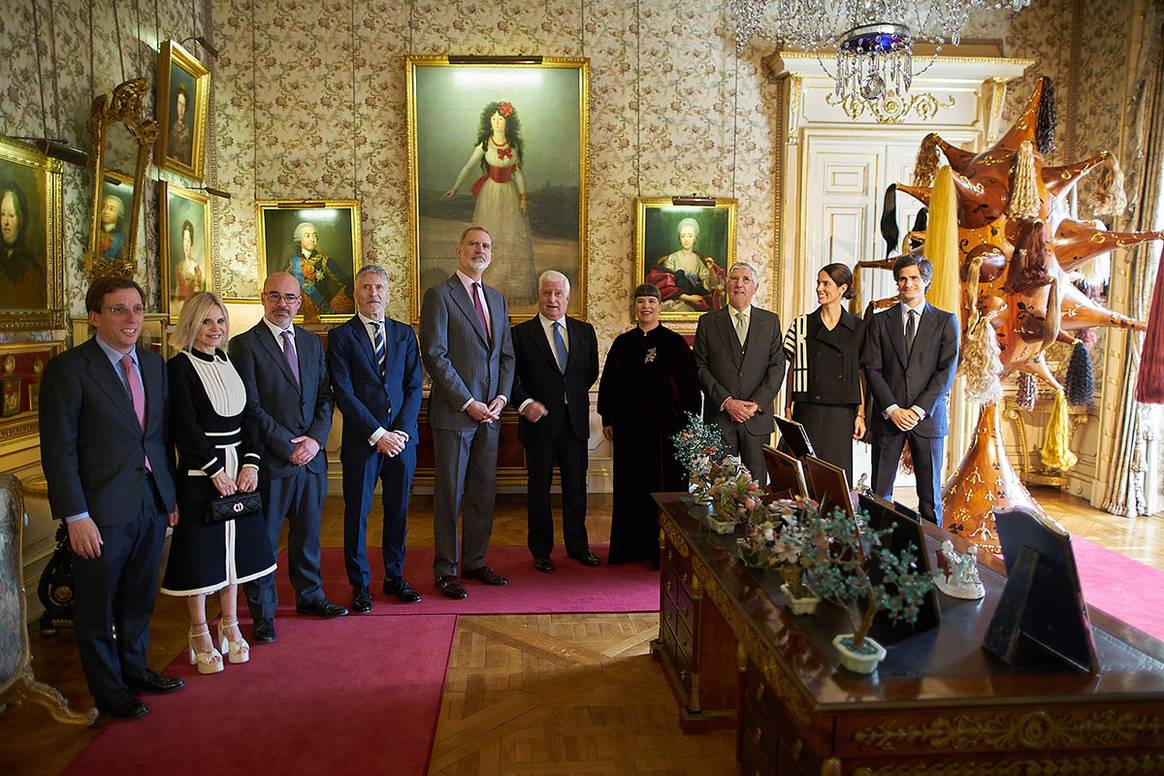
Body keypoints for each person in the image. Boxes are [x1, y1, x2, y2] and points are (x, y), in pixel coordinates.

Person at [39, 277, 183, 720]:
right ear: (95, 316)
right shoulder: (69, 370)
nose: (131, 318)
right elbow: (59, 451)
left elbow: (159, 439)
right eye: (118, 309)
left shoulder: (155, 365)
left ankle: (135, 670)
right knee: (98, 607)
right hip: (99, 512)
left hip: (150, 503)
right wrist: (76, 515)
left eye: (137, 308)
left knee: (139, 598)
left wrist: (169, 496)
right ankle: (108, 691)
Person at [160, 292, 276, 673]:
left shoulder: (232, 362)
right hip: (200, 474)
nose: (215, 329)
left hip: (240, 472)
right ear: (191, 324)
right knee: (201, 555)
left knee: (235, 558)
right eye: (206, 322)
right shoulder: (179, 368)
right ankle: (199, 630)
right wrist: (214, 470)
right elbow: (184, 427)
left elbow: (251, 420)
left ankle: (229, 622)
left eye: (220, 321)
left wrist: (252, 464)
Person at [230, 271, 347, 643]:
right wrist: (287, 445)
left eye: (290, 298)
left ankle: (310, 597)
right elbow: (250, 406)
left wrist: (314, 440)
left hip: (311, 460)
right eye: (275, 296)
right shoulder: (244, 345)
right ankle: (263, 614)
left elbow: (326, 398)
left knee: (308, 536)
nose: (283, 304)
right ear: (263, 298)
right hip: (270, 461)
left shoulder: (313, 344)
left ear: (300, 302)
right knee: (264, 541)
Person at [419, 226, 515, 599]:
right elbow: (435, 355)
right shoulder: (439, 296)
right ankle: (446, 569)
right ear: (459, 251)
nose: (480, 250)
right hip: (456, 415)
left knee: (482, 492)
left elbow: (506, 356)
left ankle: (474, 561)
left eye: (486, 245)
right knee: (450, 494)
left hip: (490, 416)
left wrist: (501, 399)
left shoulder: (497, 299)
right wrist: (468, 402)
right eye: (473, 244)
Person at [328, 264, 423, 612]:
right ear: (356, 293)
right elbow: (344, 392)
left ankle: (395, 578)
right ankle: (360, 585)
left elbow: (414, 386)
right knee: (357, 513)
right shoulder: (341, 337)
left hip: (402, 442)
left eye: (379, 287)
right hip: (361, 443)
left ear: (388, 292)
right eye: (366, 287)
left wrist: (399, 432)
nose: (373, 293)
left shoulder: (403, 333)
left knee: (397, 511)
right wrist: (378, 433)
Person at [597, 283, 700, 567]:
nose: (646, 306)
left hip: (669, 431)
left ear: (660, 306)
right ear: (635, 307)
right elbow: (609, 385)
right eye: (640, 301)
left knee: (665, 489)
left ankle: (665, 551)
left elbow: (691, 388)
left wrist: (691, 424)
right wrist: (607, 418)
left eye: (651, 302)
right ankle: (628, 549)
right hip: (630, 431)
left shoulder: (675, 343)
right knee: (631, 487)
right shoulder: (623, 343)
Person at [511, 270, 600, 573]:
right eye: (547, 293)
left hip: (574, 423)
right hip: (539, 424)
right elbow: (510, 379)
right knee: (539, 489)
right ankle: (540, 550)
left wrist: (569, 398)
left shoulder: (584, 331)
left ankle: (578, 546)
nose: (552, 299)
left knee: (576, 489)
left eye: (558, 293)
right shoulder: (520, 334)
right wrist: (525, 403)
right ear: (539, 296)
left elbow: (589, 374)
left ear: (567, 297)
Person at [864, 255, 959, 524]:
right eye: (903, 278)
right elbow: (872, 369)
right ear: (897, 282)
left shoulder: (945, 321)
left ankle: (932, 558)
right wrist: (893, 409)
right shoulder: (880, 321)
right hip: (888, 419)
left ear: (926, 281)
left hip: (927, 420)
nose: (908, 284)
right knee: (880, 495)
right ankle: (877, 555)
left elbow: (946, 373)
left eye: (914, 278)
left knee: (929, 497)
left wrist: (917, 411)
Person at [693, 263, 787, 485]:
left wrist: (755, 403)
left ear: (755, 287)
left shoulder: (770, 321)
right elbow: (699, 367)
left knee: (756, 487)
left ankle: (754, 523)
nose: (739, 284)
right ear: (726, 286)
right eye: (734, 279)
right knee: (720, 486)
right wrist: (726, 402)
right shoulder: (708, 322)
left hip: (757, 419)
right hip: (720, 418)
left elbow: (777, 367)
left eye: (746, 279)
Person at [444, 101, 537, 306]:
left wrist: (523, 197)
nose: (496, 122)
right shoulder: (485, 144)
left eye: (500, 119)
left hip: (509, 193)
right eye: (493, 119)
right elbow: (468, 166)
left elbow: (518, 173)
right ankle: (488, 284)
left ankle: (511, 285)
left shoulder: (513, 146)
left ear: (507, 123)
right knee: (489, 236)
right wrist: (455, 187)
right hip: (490, 193)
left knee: (510, 236)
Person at [782, 263, 867, 483]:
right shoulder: (801, 325)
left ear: (842, 288)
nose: (819, 288)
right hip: (807, 408)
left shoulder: (858, 328)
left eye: (826, 283)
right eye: (818, 283)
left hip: (841, 413)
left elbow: (860, 375)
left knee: (833, 477)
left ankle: (833, 517)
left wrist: (860, 414)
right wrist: (787, 406)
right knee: (802, 473)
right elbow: (792, 367)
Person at [646, 217, 726, 312]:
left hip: (695, 297)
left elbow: (712, 284)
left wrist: (711, 268)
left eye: (690, 236)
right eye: (683, 236)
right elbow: (666, 287)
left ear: (695, 238)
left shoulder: (698, 259)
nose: (686, 239)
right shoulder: (672, 258)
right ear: (679, 238)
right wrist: (689, 298)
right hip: (677, 299)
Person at [286, 221, 354, 318]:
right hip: (297, 316)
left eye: (314, 236)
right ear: (299, 239)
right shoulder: (291, 263)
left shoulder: (325, 261)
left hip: (322, 314)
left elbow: (348, 285)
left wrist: (333, 307)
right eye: (307, 236)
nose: (312, 239)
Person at [0, 183, 46, 308]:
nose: (6, 223)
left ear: (21, 220)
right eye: (2, 214)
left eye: (11, 215)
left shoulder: (29, 265)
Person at [173, 220, 205, 301]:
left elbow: (198, 294)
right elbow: (177, 290)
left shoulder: (196, 267)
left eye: (188, 240)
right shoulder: (179, 267)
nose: (186, 245)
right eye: (184, 240)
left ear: (192, 242)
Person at [97, 193, 125, 260]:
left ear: (119, 214)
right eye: (103, 207)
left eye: (111, 209)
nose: (105, 211)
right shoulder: (95, 230)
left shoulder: (121, 236)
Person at [168, 85, 191, 162]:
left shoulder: (187, 131)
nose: (181, 109)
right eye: (179, 104)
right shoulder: (169, 126)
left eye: (183, 106)